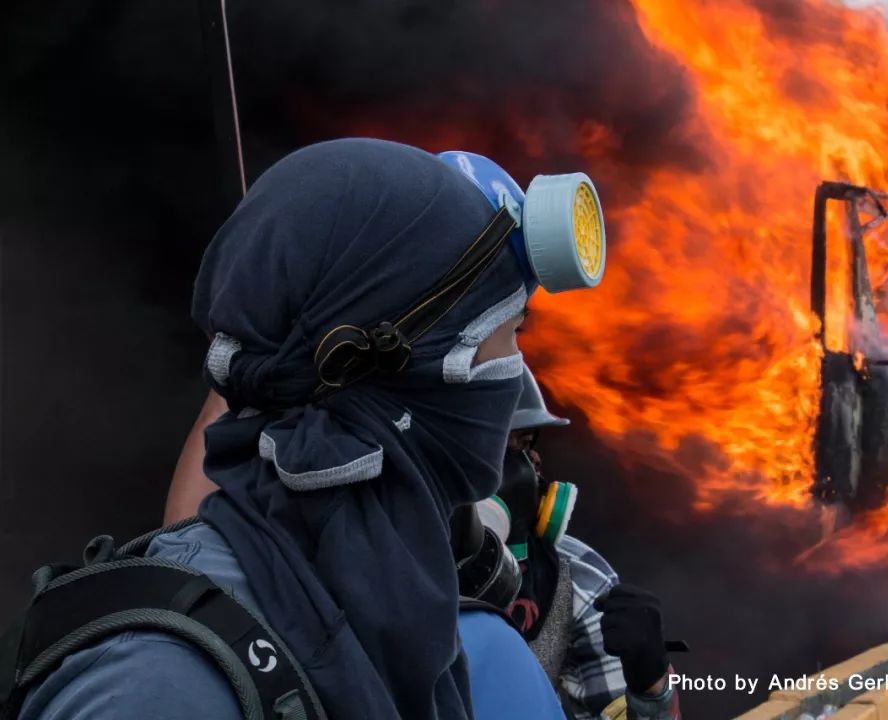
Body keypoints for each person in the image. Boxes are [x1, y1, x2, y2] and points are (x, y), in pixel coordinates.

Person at [5, 138, 607, 720]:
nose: (514, 374)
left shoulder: (404, 621)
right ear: (399, 365)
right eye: (511, 332)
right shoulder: (159, 687)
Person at [478, 366, 682, 720]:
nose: (528, 467)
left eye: (526, 445)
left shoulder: (574, 582)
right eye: (500, 447)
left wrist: (650, 691)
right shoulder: (386, 569)